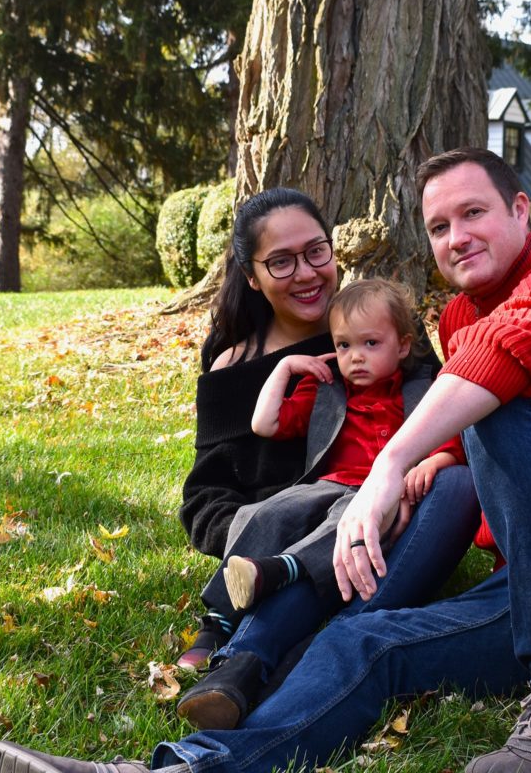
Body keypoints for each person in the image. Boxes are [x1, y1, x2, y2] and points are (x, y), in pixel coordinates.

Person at [0, 148, 531, 773]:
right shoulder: (464, 319)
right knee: (362, 639)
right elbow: (505, 488)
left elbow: (520, 349)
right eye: (438, 227)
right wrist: (424, 476)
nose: (456, 237)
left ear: (519, 211)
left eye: (473, 213)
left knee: (507, 399)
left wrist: (388, 470)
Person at [174, 190, 473, 672]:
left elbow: (436, 422)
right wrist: (269, 526)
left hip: (391, 525)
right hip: (288, 535)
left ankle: (283, 651)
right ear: (251, 276)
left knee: (453, 487)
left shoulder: (384, 327)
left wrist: (403, 495)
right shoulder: (235, 368)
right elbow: (206, 500)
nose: (308, 272)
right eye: (281, 262)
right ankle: (250, 635)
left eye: (316, 251)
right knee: (300, 559)